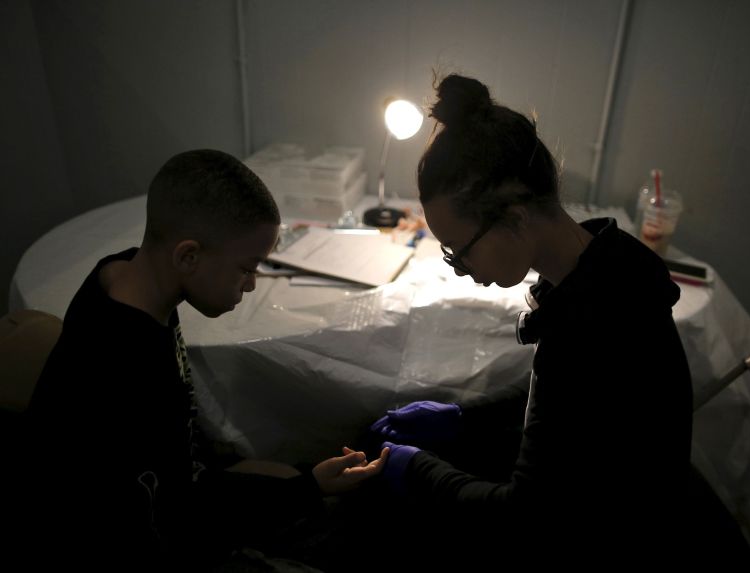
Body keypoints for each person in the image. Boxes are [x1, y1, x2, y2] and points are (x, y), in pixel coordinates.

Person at [367, 74, 708, 569]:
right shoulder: (605, 267)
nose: (463, 268)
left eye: (460, 250)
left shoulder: (591, 328)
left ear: (516, 217)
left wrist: (418, 470)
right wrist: (465, 419)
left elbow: (524, 520)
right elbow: (571, 419)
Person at [22, 149, 388, 571]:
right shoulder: (126, 364)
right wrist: (307, 488)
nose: (251, 284)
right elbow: (180, 514)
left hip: (175, 494)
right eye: (246, 268)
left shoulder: (126, 274)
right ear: (188, 256)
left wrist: (305, 484)